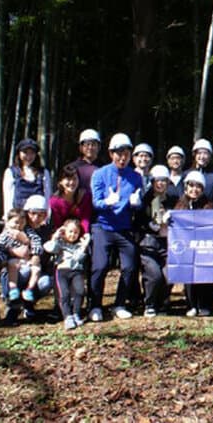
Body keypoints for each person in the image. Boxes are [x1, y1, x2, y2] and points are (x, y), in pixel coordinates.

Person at [89, 133, 143, 322]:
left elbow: (139, 202)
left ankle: (119, 303)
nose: (122, 157)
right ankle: (95, 305)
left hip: (124, 228)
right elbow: (96, 202)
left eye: (126, 153)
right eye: (118, 153)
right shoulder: (100, 173)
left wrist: (137, 203)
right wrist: (107, 202)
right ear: (111, 153)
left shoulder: (136, 177)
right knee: (100, 267)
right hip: (103, 226)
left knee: (129, 267)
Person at [0, 195, 54, 324]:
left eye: (41, 215)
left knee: (45, 281)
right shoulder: (13, 228)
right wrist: (11, 252)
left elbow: (39, 249)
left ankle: (28, 303)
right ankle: (13, 306)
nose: (36, 218)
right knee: (16, 271)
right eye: (33, 213)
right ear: (26, 213)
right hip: (13, 269)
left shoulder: (44, 231)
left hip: (33, 268)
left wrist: (33, 252)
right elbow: (0, 248)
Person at [176, 170, 213, 317]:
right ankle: (192, 305)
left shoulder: (209, 205)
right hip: (187, 247)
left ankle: (205, 305)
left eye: (198, 186)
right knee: (189, 273)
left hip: (205, 247)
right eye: (191, 186)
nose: (194, 189)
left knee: (208, 272)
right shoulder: (180, 205)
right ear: (186, 187)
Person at [138, 165, 178, 317]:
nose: (161, 184)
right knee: (154, 274)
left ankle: (163, 302)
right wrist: (152, 224)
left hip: (168, 242)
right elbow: (139, 222)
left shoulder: (173, 200)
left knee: (170, 272)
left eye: (164, 181)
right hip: (148, 243)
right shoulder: (145, 200)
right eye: (157, 181)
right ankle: (150, 304)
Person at [43, 219, 91, 330]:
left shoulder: (79, 245)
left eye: (76, 232)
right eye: (70, 231)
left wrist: (84, 246)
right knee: (64, 294)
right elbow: (49, 248)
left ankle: (76, 313)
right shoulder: (60, 243)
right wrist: (55, 237)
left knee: (80, 291)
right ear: (64, 231)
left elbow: (78, 259)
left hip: (76, 272)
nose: (73, 235)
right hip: (61, 272)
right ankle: (67, 316)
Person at [0, 209, 42, 303]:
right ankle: (13, 288)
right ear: (8, 222)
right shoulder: (6, 234)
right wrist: (3, 259)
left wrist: (35, 253)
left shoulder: (28, 231)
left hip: (28, 260)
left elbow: (37, 241)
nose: (18, 225)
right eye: (16, 222)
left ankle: (29, 289)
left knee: (36, 269)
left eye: (22, 223)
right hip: (14, 261)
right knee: (13, 264)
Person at [2, 138, 52, 218]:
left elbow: (47, 195)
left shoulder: (44, 172)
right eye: (25, 152)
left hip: (37, 218)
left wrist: (47, 216)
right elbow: (8, 197)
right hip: (18, 216)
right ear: (19, 153)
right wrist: (8, 216)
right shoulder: (11, 172)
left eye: (32, 153)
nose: (28, 156)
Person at [49, 164, 93, 234]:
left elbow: (85, 219)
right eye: (68, 179)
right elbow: (57, 224)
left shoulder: (85, 196)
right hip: (63, 233)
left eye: (74, 179)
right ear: (60, 181)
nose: (72, 182)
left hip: (80, 232)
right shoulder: (54, 201)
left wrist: (85, 234)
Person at [69, 129, 104, 193]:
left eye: (93, 144)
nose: (90, 147)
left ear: (99, 147)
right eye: (87, 144)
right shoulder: (72, 167)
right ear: (81, 147)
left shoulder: (104, 168)